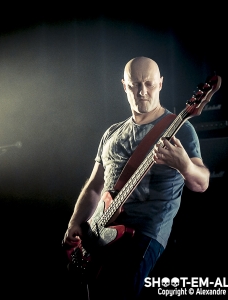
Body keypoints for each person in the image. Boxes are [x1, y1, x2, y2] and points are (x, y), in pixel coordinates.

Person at [62, 56, 210, 299]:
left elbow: (201, 182)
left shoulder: (181, 128)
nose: (142, 91)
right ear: (124, 86)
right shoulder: (111, 133)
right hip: (98, 232)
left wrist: (185, 165)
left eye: (149, 84)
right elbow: (94, 187)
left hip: (144, 233)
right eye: (135, 85)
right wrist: (75, 222)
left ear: (160, 84)